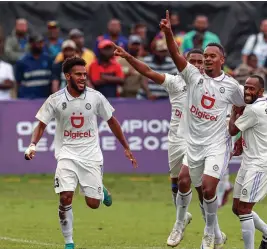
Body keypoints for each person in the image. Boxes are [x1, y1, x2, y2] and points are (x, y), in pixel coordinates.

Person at [23, 56, 137, 249]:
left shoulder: (95, 97)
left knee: (93, 204)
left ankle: (101, 190)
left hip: (91, 156)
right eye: (78, 74)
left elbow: (112, 121)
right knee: (65, 197)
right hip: (66, 154)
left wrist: (126, 146)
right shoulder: (56, 100)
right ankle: (69, 243)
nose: (83, 78)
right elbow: (41, 125)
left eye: (84, 74)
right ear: (68, 76)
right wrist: (33, 144)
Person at [161, 10, 245, 249]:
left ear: (222, 60)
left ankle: (209, 232)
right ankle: (179, 225)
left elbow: (241, 106)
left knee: (208, 188)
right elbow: (175, 54)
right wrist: (169, 33)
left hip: (217, 144)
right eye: (205, 56)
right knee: (184, 181)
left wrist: (235, 128)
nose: (207, 59)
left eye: (211, 56)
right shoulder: (193, 77)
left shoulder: (231, 86)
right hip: (194, 143)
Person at [113, 44, 205, 247]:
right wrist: (128, 56)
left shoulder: (211, 85)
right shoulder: (175, 82)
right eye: (193, 61)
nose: (197, 65)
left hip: (198, 141)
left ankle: (181, 225)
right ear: (185, 62)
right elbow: (146, 71)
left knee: (186, 181)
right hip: (176, 139)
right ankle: (199, 225)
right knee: (175, 186)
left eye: (201, 62)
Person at [228, 75, 267, 249]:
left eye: (252, 89)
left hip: (259, 165)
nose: (248, 92)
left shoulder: (254, 109)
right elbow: (249, 129)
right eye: (246, 88)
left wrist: (234, 111)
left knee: (244, 210)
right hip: (248, 163)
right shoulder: (258, 105)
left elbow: (232, 129)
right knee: (237, 208)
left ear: (261, 91)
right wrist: (242, 141)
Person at [15, 34, 53, 99]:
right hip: (27, 101)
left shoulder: (49, 59)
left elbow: (52, 80)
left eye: (42, 42)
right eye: (38, 43)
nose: (41, 45)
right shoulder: (22, 62)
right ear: (31, 44)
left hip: (45, 100)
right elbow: (18, 83)